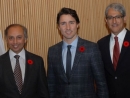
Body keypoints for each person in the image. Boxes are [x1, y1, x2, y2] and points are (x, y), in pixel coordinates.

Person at [47, 7, 109, 98]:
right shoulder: (53, 51)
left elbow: (101, 84)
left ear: (77, 24)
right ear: (58, 27)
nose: (68, 27)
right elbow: (51, 85)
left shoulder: (91, 48)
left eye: (71, 23)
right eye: (63, 23)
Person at [0, 24, 49, 98]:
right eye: (11, 38)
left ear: (25, 39)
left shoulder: (37, 61)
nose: (15, 42)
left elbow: (43, 92)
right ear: (7, 39)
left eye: (19, 37)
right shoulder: (1, 62)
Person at [97, 3, 130, 98]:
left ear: (124, 18)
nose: (114, 21)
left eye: (118, 17)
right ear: (106, 20)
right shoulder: (100, 44)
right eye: (110, 17)